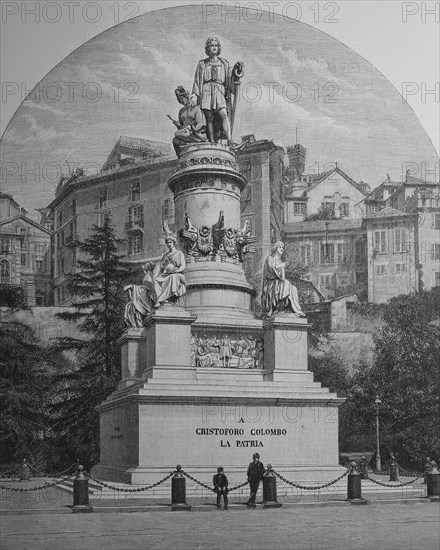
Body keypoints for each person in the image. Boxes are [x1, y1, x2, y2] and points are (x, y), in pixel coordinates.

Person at [191, 37, 243, 145]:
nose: (214, 48)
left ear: (218, 48)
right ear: (208, 48)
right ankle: (212, 141)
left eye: (216, 45)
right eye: (211, 45)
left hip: (219, 90)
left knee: (223, 114)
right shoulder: (202, 64)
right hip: (206, 90)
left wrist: (236, 70)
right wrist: (195, 95)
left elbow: (230, 78)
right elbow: (197, 80)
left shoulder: (224, 63)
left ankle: (229, 139)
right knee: (209, 118)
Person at [261, 241, 305, 318]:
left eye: (282, 247)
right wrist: (281, 265)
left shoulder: (281, 261)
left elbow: (282, 278)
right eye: (280, 247)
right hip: (271, 283)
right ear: (275, 249)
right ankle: (279, 307)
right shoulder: (270, 258)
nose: (282, 249)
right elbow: (270, 269)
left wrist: (282, 267)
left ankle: (292, 308)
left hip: (279, 282)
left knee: (293, 288)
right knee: (286, 284)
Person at [171, 86, 206, 156]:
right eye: (179, 99)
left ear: (186, 97)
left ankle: (195, 142)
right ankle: (180, 155)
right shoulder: (181, 111)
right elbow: (181, 128)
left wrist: (194, 128)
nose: (180, 100)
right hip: (185, 133)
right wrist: (178, 125)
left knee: (181, 135)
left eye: (182, 98)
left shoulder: (196, 108)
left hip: (195, 133)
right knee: (175, 140)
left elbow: (200, 123)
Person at [153, 236, 186, 308]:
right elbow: (162, 266)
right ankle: (162, 299)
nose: (169, 244)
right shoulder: (165, 255)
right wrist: (163, 265)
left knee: (172, 277)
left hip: (177, 273)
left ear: (174, 243)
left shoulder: (179, 253)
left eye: (170, 242)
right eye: (167, 243)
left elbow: (183, 265)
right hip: (167, 273)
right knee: (157, 280)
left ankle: (160, 300)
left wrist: (178, 270)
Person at [123, 262, 155, 327]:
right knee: (130, 305)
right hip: (143, 297)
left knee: (133, 306)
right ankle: (136, 324)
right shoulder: (148, 275)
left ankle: (138, 324)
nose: (144, 267)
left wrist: (132, 286)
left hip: (146, 298)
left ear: (148, 268)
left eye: (146, 266)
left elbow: (147, 288)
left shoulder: (149, 276)